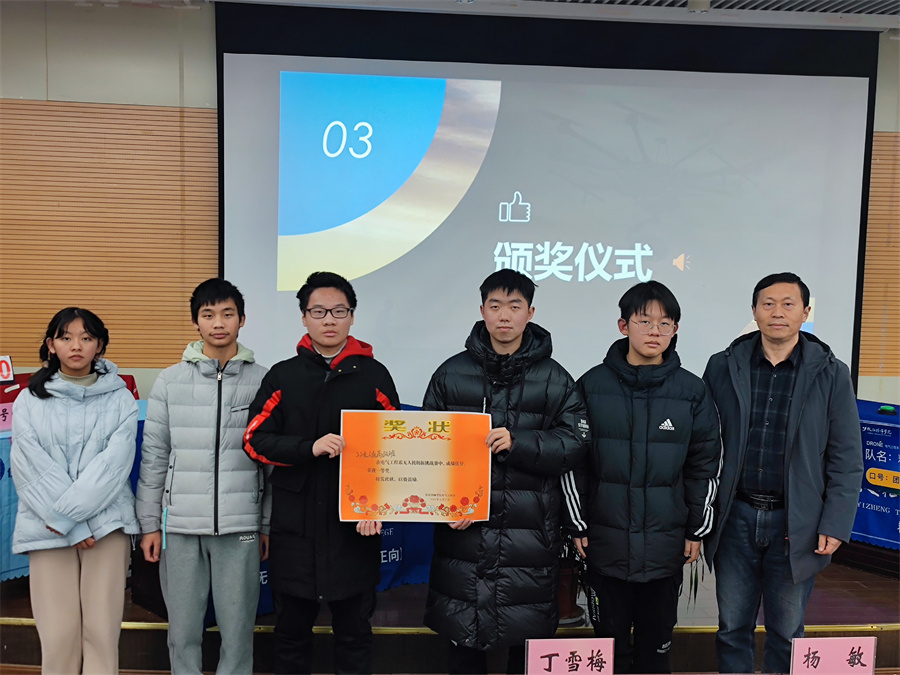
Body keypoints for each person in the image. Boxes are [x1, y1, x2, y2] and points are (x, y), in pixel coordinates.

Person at [421, 269, 589, 675]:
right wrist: (444, 506)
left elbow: (576, 443)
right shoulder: (450, 374)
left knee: (524, 649)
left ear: (530, 312)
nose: (504, 315)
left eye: (515, 306)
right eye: (495, 306)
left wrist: (519, 443)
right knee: (464, 649)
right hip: (463, 537)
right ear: (482, 311)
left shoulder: (555, 379)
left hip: (528, 537)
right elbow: (425, 449)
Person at [703, 272, 864, 674]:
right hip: (735, 516)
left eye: (788, 304)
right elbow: (702, 445)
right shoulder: (723, 366)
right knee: (731, 628)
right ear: (754, 311)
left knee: (787, 631)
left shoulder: (831, 373)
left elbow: (846, 457)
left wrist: (836, 523)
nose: (778, 312)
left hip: (797, 522)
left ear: (805, 312)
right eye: (768, 303)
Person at [243, 271, 400, 675]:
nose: (329, 319)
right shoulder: (283, 376)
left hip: (354, 532)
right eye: (318, 311)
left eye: (338, 311)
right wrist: (307, 448)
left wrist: (376, 505)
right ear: (304, 317)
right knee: (291, 637)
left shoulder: (375, 376)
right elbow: (254, 440)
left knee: (354, 636)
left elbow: (397, 452)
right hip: (295, 531)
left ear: (352, 316)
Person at [563, 281, 720, 674]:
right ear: (623, 326)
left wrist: (696, 529)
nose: (655, 331)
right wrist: (578, 524)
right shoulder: (591, 386)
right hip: (605, 544)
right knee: (608, 652)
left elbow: (704, 464)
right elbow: (574, 461)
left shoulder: (692, 392)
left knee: (656, 652)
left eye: (665, 323)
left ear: (675, 330)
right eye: (644, 321)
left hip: (665, 548)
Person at [136, 278, 269, 675]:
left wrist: (265, 524)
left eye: (228, 313)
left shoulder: (264, 380)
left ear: (242, 319)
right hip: (179, 527)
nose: (218, 323)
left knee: (238, 634)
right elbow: (154, 456)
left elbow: (271, 463)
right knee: (183, 633)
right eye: (208, 315)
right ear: (196, 322)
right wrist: (149, 525)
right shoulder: (170, 380)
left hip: (240, 526)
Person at [11, 308, 140, 674]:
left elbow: (114, 466)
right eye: (66, 338)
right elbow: (30, 468)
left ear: (100, 345)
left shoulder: (120, 399)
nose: (76, 346)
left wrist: (77, 520)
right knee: (58, 637)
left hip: (106, 527)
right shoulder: (29, 400)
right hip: (47, 527)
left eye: (86, 338)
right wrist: (72, 523)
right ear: (51, 345)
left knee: (102, 633)